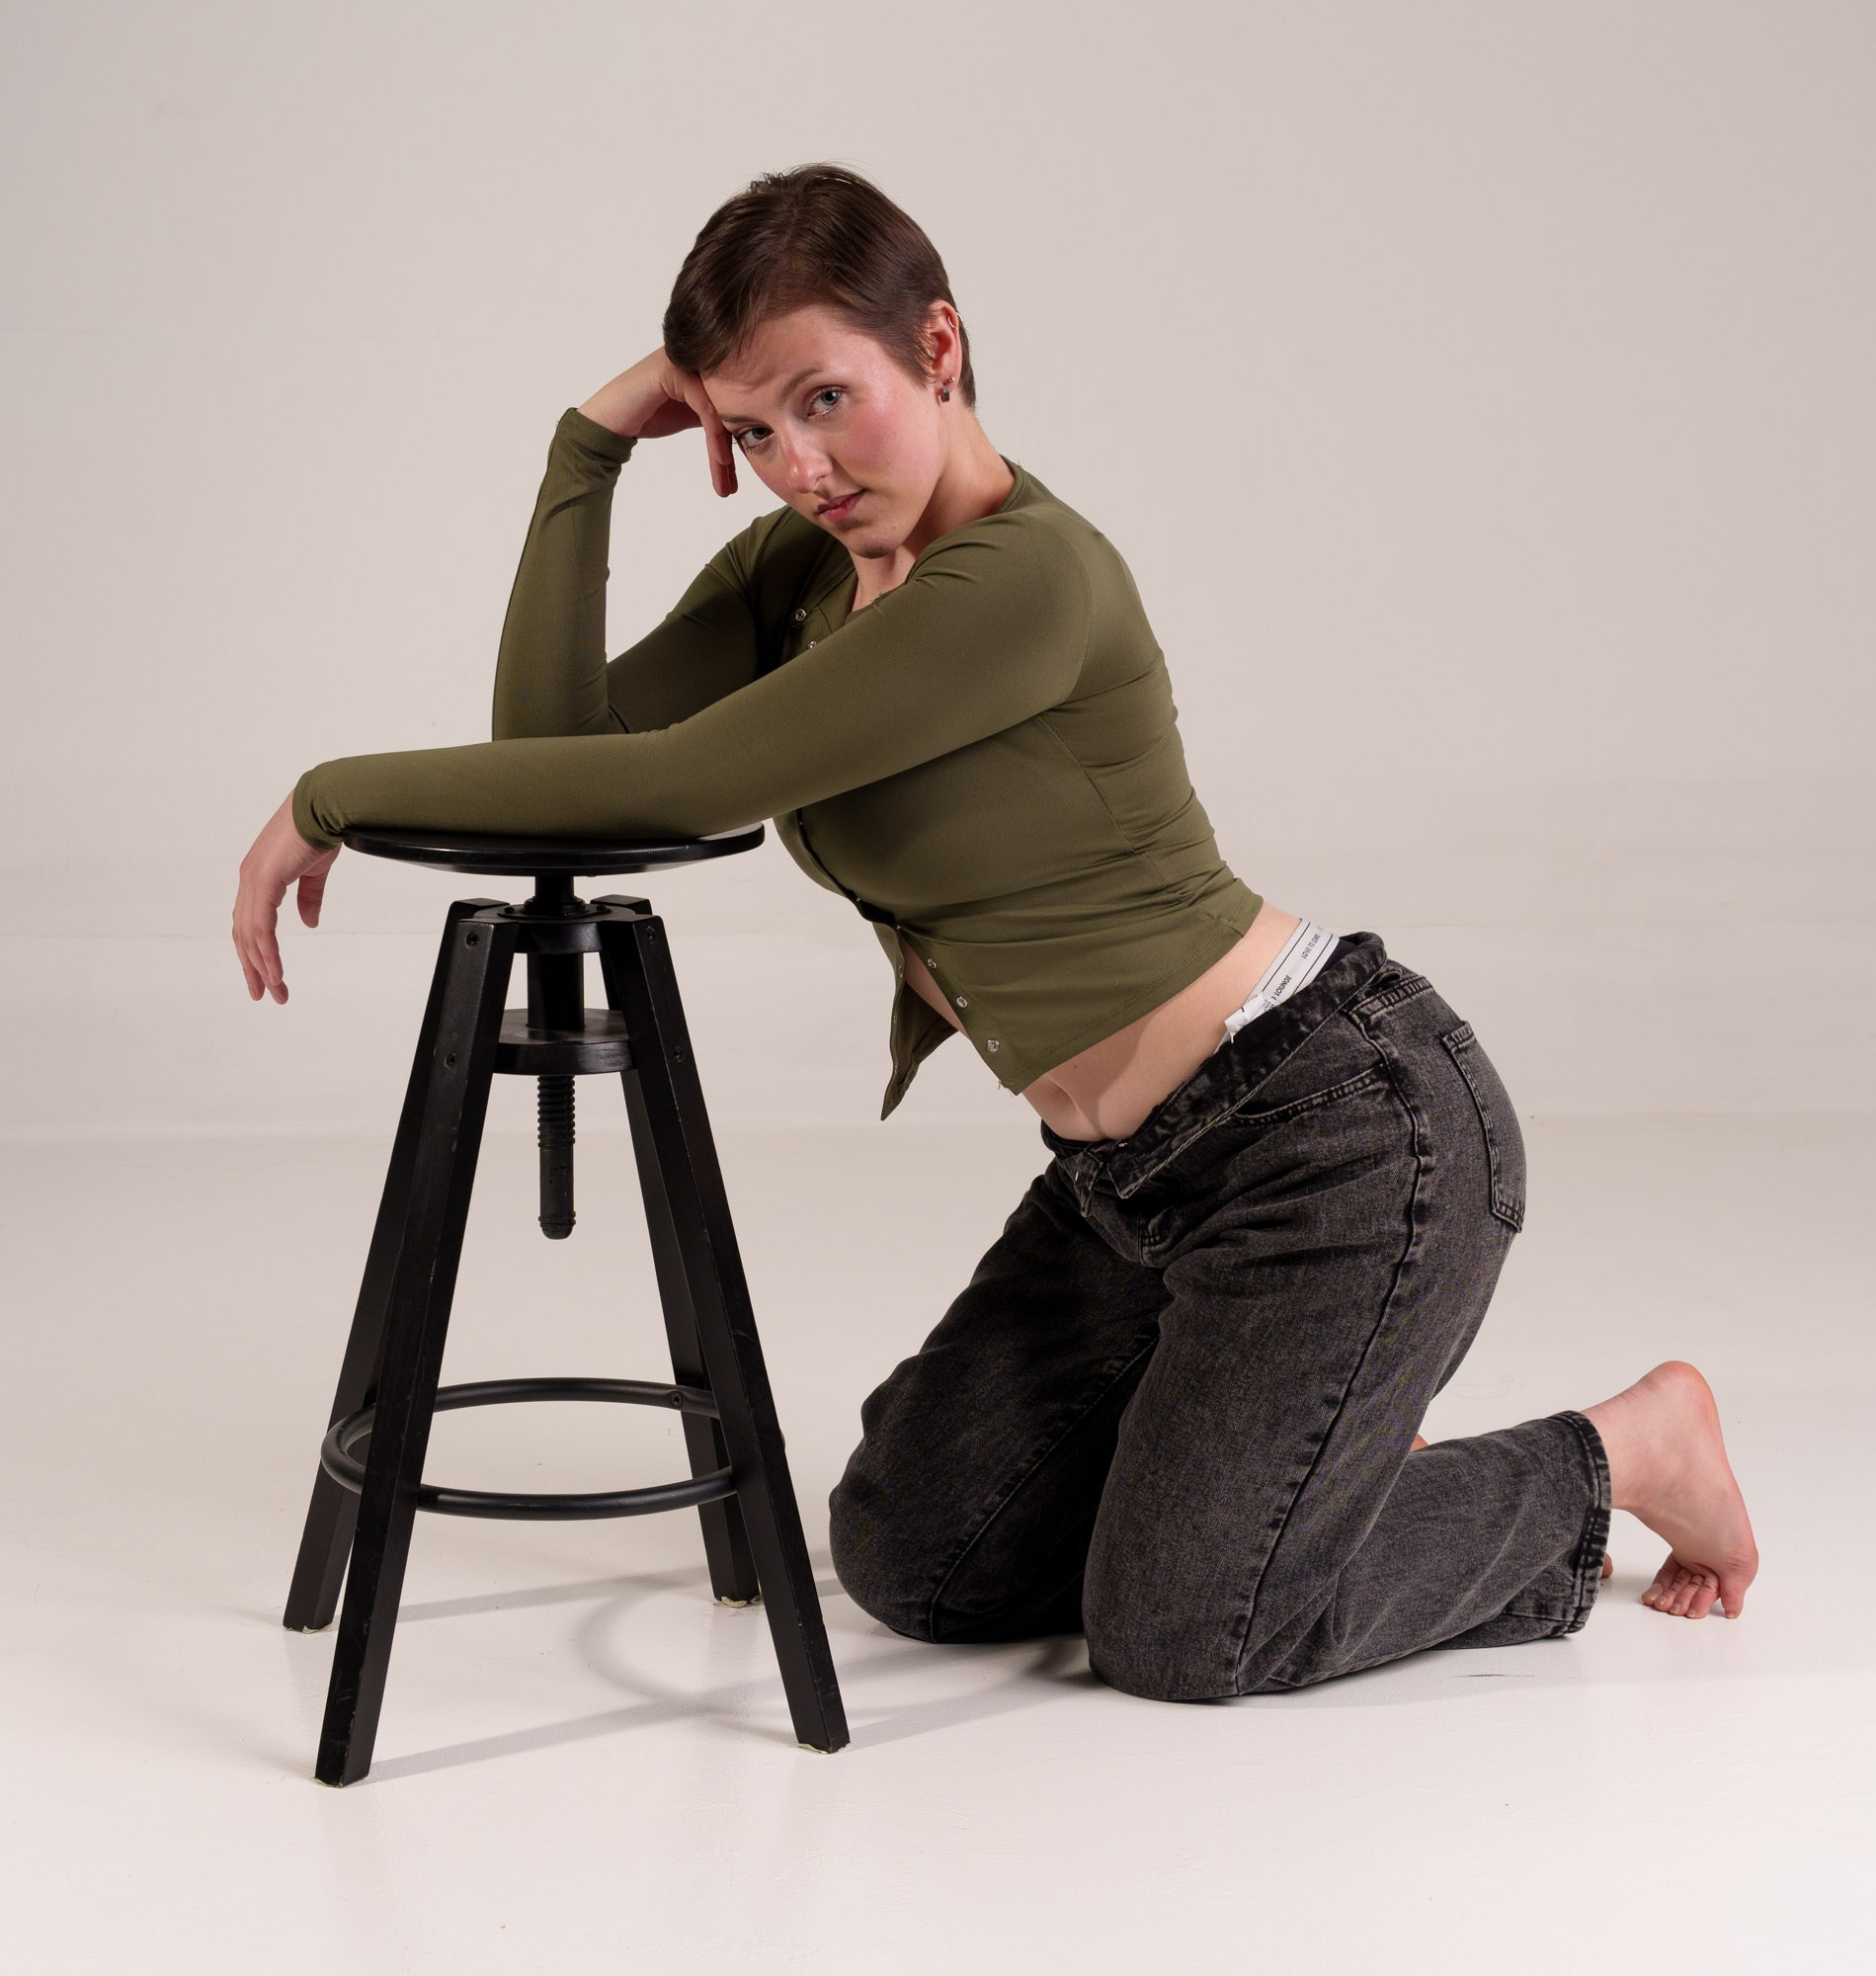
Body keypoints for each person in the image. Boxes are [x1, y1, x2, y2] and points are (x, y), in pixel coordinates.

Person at [231, 163, 1757, 1700]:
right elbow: (550, 760)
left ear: (940, 348)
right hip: (1123, 1183)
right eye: (751, 431)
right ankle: (1296, 1458)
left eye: (828, 399)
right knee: (914, 1554)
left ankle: (1621, 1450)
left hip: (1337, 1139)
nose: (801, 466)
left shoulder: (1024, 579)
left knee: (1187, 1633)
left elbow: (673, 782)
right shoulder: (800, 574)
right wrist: (587, 452)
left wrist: (327, 793)